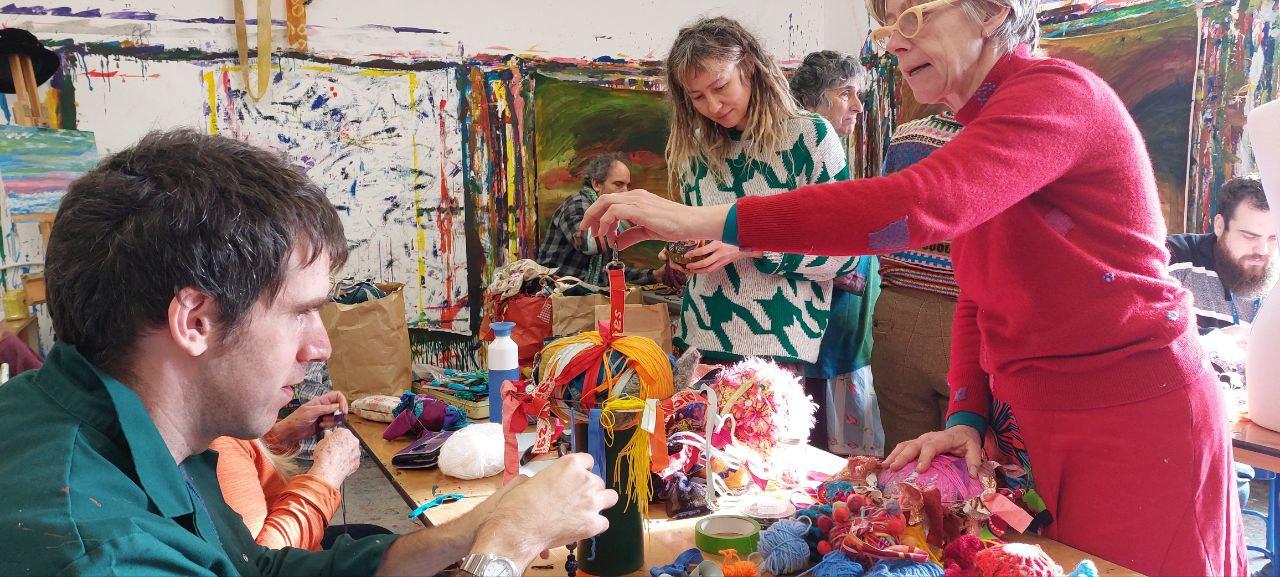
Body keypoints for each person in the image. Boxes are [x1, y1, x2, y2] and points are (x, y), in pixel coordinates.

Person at [580, 0, 1247, 571]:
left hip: (1136, 429)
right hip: (1039, 431)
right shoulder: (979, 127)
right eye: (885, 21)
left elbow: (913, 205)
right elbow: (977, 293)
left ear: (993, 11)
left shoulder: (1058, 94)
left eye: (913, 14)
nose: (893, 40)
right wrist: (966, 417)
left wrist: (695, 218)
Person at [0, 129, 617, 576]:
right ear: (195, 321)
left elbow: (257, 569)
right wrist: (505, 551)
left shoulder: (113, 424)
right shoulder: (100, 551)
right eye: (299, 312)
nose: (320, 345)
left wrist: (473, 529)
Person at [660, 17, 858, 397]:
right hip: (698, 341)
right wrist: (680, 254)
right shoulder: (694, 149)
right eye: (697, 97)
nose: (712, 106)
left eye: (720, 87)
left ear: (749, 66)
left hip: (776, 349)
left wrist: (748, 248)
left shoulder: (810, 136)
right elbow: (696, 236)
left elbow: (846, 254)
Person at [790, 50, 883, 455]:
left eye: (858, 94)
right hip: (818, 335)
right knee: (817, 451)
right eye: (846, 93)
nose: (859, 106)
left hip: (847, 336)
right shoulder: (797, 156)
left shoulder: (833, 157)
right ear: (812, 101)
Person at [1167, 175, 1276, 515]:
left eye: (1274, 237)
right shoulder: (1173, 260)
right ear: (1219, 225)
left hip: (1250, 424)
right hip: (1182, 423)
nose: (1263, 251)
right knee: (1225, 486)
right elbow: (1134, 338)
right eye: (1249, 236)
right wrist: (1211, 344)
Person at [871, 112, 965, 454]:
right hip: (964, 313)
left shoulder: (906, 137)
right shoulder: (995, 139)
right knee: (970, 463)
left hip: (896, 310)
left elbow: (883, 223)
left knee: (904, 460)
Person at [211, 390, 392, 551]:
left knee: (379, 537)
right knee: (392, 552)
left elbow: (245, 453)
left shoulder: (222, 424)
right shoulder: (221, 445)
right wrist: (326, 475)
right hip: (288, 559)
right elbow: (263, 561)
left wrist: (281, 434)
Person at [537, 152, 661, 286]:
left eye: (627, 185)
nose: (625, 192)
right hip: (553, 294)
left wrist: (655, 275)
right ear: (596, 184)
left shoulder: (608, 216)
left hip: (581, 296)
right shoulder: (577, 203)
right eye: (618, 184)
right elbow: (587, 244)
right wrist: (631, 219)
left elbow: (608, 273)